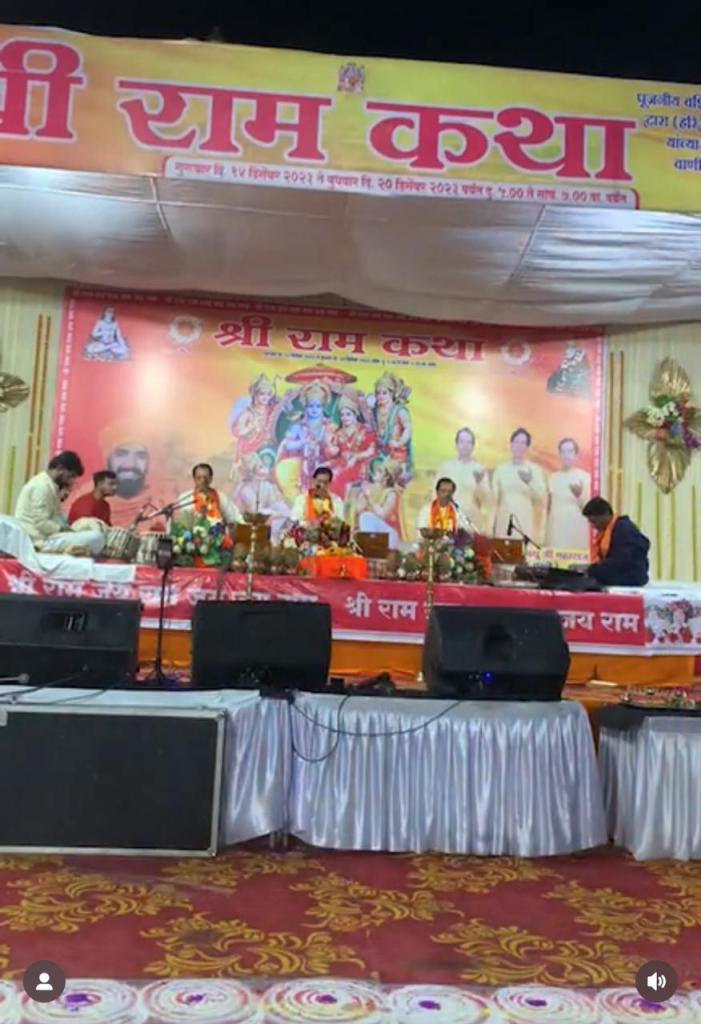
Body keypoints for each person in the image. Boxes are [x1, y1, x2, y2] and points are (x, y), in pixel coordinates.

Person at [14, 451, 105, 556]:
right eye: (70, 476)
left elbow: (56, 517)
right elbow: (41, 523)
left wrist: (70, 529)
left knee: (93, 532)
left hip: (50, 536)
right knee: (96, 538)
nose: (71, 481)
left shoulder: (51, 485)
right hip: (39, 541)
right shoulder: (41, 486)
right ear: (60, 468)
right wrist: (62, 529)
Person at [492, 428, 547, 542]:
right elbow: (493, 500)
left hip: (524, 521)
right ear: (511, 444)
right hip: (504, 520)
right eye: (516, 442)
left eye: (523, 443)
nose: (519, 446)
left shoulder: (534, 470)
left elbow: (542, 498)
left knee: (522, 550)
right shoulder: (501, 469)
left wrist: (530, 482)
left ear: (527, 447)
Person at [583, 497, 650, 586]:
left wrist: (594, 570)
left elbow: (622, 560)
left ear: (606, 514)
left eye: (594, 521)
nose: (593, 526)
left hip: (630, 577)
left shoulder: (624, 528)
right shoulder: (605, 532)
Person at [434, 427, 491, 532]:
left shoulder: (479, 470)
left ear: (473, 446)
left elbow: (485, 501)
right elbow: (435, 495)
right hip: (447, 523)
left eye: (469, 442)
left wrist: (479, 484)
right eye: (462, 441)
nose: (465, 445)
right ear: (456, 444)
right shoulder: (446, 467)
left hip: (471, 524)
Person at [325, 394, 376, 500]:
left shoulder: (364, 430)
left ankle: (341, 505)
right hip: (342, 463)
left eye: (348, 414)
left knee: (335, 475)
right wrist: (329, 443)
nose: (345, 418)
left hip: (359, 465)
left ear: (355, 414)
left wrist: (356, 457)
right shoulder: (338, 432)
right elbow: (334, 453)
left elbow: (372, 450)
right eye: (342, 415)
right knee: (322, 471)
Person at [546, 438, 592, 550]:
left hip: (576, 530)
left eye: (570, 451)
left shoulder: (585, 477)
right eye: (563, 452)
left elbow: (589, 509)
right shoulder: (553, 478)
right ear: (559, 454)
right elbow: (548, 508)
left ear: (576, 454)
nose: (567, 455)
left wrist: (579, 496)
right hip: (557, 531)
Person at [173, 463, 242, 531]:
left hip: (218, 535)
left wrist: (230, 526)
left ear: (211, 479)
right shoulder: (185, 498)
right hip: (193, 536)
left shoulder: (221, 497)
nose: (203, 481)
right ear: (194, 479)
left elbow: (236, 518)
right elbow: (181, 523)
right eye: (199, 478)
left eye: (206, 477)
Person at [352, 458, 402, 548]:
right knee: (363, 517)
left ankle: (370, 547)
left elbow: (383, 514)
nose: (375, 472)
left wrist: (370, 502)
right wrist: (362, 501)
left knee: (366, 516)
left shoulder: (391, 494)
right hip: (374, 534)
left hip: (388, 536)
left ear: (387, 477)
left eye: (380, 471)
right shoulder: (369, 489)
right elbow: (358, 509)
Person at [372, 372, 413, 480]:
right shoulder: (374, 411)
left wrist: (399, 443)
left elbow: (408, 428)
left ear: (392, 393)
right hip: (379, 454)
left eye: (384, 393)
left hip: (397, 455)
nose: (380, 396)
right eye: (378, 393)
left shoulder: (399, 411)